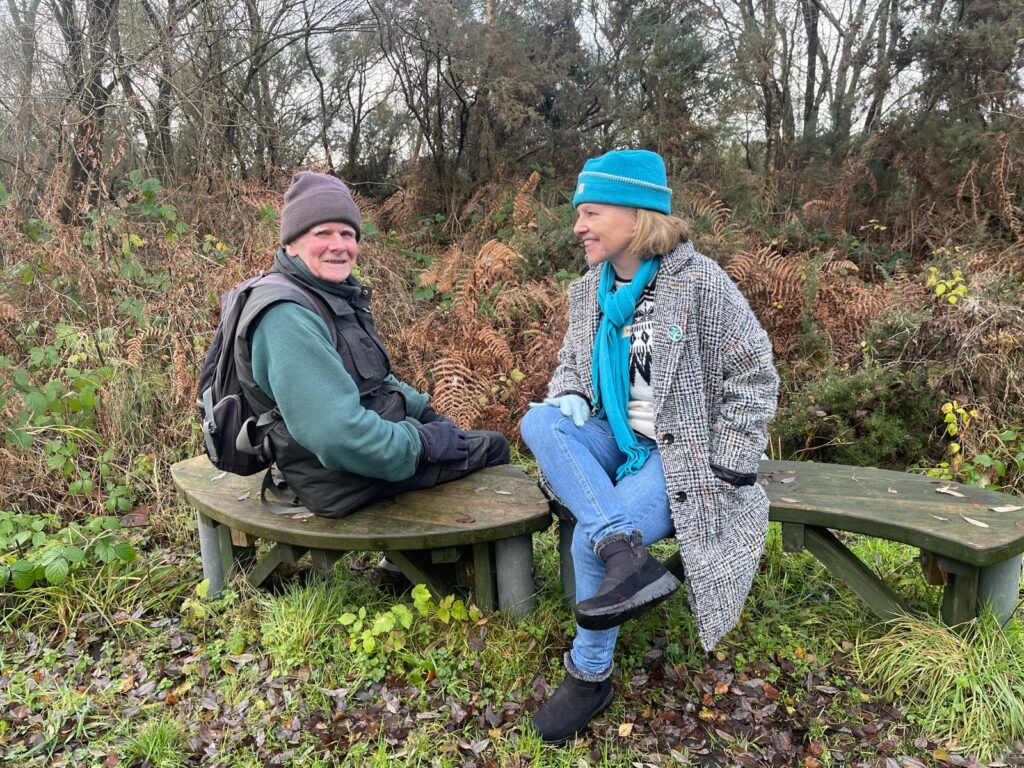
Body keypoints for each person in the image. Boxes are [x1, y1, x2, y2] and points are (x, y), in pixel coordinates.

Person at [520, 149, 779, 744]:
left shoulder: (700, 284)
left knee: (590, 535)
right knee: (540, 423)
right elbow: (569, 366)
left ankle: (589, 676)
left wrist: (730, 460)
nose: (577, 226)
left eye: (590, 213)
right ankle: (625, 552)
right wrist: (569, 395)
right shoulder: (590, 291)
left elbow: (755, 374)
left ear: (636, 216)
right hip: (614, 430)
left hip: (681, 449)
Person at [236, 171, 509, 522]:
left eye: (347, 234)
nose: (339, 245)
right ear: (291, 243)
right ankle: (455, 569)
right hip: (340, 479)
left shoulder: (329, 294)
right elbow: (337, 435)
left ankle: (406, 565)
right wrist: (422, 443)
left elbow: (376, 380)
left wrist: (425, 413)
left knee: (465, 441)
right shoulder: (287, 317)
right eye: (323, 234)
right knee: (494, 447)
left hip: (363, 461)